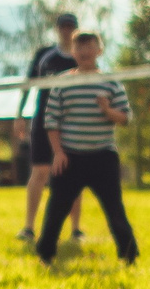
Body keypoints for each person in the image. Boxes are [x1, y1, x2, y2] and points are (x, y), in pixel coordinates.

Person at [34, 30, 139, 267]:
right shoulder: (63, 82)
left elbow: (125, 118)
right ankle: (45, 255)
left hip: (103, 157)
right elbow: (51, 120)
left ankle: (129, 256)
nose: (84, 52)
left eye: (90, 46)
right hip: (69, 158)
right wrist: (58, 152)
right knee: (56, 209)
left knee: (115, 210)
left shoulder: (110, 82)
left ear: (99, 51)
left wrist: (107, 110)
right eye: (79, 47)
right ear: (73, 52)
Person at [15, 13, 86, 244]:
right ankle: (29, 228)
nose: (66, 30)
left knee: (73, 175)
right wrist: (19, 115)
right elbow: (28, 84)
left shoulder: (81, 57)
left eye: (70, 26)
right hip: (44, 122)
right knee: (40, 172)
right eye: (63, 26)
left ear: (75, 29)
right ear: (57, 29)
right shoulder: (44, 55)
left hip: (72, 124)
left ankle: (75, 230)